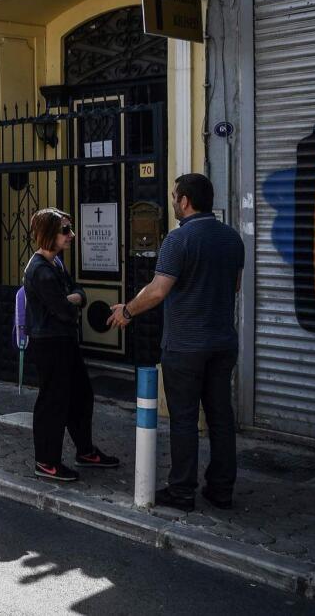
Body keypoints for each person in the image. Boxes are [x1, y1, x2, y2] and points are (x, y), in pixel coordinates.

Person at [107, 173, 245, 512]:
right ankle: (221, 489)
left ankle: (182, 490)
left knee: (184, 419)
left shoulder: (178, 240)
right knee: (220, 417)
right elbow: (237, 286)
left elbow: (157, 290)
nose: (172, 202)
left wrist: (127, 309)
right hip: (223, 342)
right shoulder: (232, 239)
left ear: (184, 200)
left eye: (174, 197)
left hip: (185, 345)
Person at [24, 208, 120, 482]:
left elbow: (78, 293)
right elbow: (65, 310)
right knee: (53, 401)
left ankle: (85, 451)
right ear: (48, 234)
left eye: (70, 229)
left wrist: (74, 297)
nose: (72, 235)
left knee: (80, 395)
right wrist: (73, 299)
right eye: (65, 230)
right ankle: (46, 461)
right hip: (49, 342)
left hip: (64, 340)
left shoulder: (56, 264)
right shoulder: (41, 271)